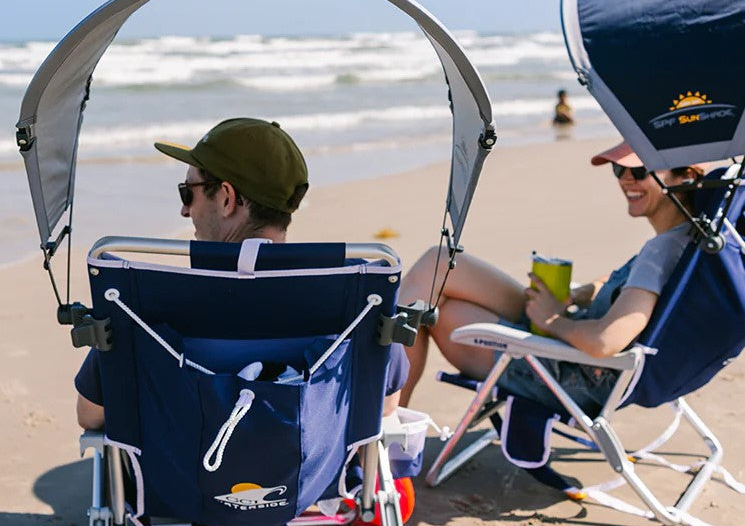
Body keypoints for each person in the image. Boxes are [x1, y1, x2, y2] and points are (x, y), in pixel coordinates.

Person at [76, 117, 408, 429]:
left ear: (226, 198)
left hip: (175, 485)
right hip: (310, 485)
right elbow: (385, 404)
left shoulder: (148, 296)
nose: (183, 209)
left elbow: (90, 415)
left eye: (187, 192)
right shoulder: (356, 291)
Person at [397, 141, 704, 414]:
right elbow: (635, 295)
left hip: (572, 375)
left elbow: (604, 341)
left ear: (685, 177)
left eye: (639, 172)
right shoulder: (688, 243)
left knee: (441, 307)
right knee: (438, 264)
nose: (625, 179)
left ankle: (386, 430)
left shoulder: (660, 253)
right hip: (573, 348)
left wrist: (553, 320)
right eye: (618, 169)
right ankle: (389, 428)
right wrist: (584, 292)